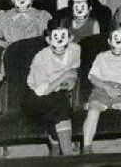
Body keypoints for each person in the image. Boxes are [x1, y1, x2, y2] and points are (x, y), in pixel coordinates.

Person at [22, 17, 80, 156]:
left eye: (63, 37)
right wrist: (64, 77)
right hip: (35, 98)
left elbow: (74, 69)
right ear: (48, 40)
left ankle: (56, 145)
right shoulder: (40, 58)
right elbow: (41, 91)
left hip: (57, 93)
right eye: (55, 37)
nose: (59, 42)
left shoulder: (75, 49)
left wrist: (72, 78)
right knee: (61, 107)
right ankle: (67, 153)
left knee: (60, 105)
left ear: (71, 38)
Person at [81, 22, 121, 153]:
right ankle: (86, 148)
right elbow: (92, 77)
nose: (118, 42)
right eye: (115, 39)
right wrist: (106, 87)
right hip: (101, 90)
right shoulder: (101, 57)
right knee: (92, 112)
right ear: (109, 41)